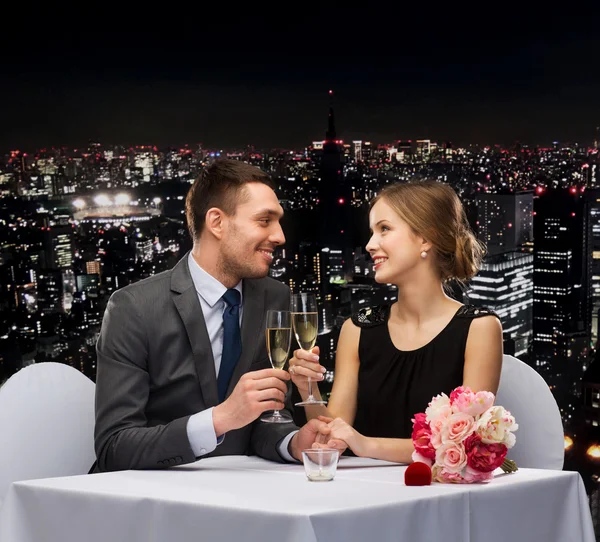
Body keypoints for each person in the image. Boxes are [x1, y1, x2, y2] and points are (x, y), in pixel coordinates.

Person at [93, 159, 327, 472]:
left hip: (242, 494)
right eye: (265, 221)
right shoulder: (134, 308)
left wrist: (293, 443)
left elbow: (269, 416)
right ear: (216, 222)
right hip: (154, 500)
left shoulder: (274, 296)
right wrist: (219, 419)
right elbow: (114, 447)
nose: (280, 236)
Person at [288, 180, 503, 463]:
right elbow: (333, 435)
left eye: (384, 229)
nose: (369, 244)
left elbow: (464, 445)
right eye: (372, 231)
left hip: (437, 497)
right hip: (362, 493)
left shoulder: (480, 328)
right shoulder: (358, 328)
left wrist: (365, 444)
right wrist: (309, 389)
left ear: (427, 238)